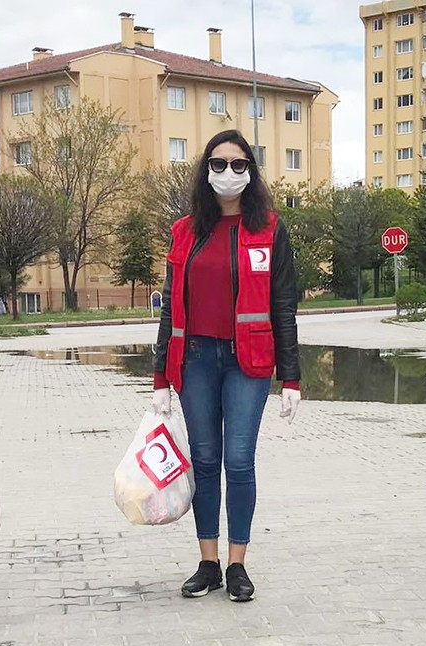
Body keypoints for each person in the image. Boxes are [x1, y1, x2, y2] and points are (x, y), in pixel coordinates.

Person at [152, 129, 301, 602]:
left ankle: (238, 564)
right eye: (218, 164)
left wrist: (292, 377)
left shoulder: (270, 229)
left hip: (248, 362)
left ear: (251, 173)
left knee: (238, 461)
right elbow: (169, 310)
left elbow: (284, 306)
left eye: (239, 165)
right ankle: (208, 561)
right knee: (205, 461)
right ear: (205, 171)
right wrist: (159, 377)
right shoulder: (184, 232)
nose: (228, 174)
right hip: (195, 360)